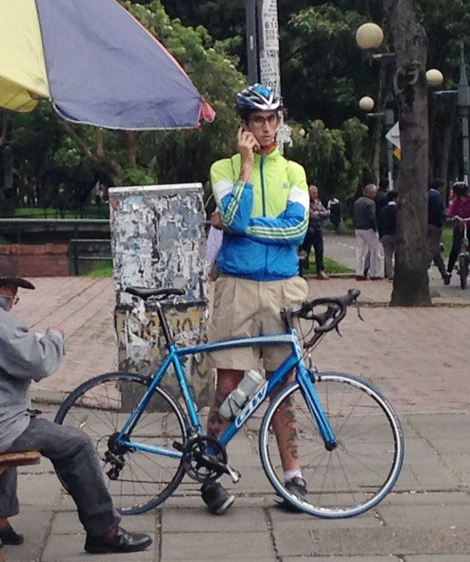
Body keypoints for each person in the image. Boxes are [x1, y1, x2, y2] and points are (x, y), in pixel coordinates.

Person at [0, 255, 152, 555]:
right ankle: (104, 530)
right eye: (14, 298)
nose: (12, 303)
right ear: (3, 291)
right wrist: (54, 337)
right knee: (77, 445)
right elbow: (40, 363)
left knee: (19, 423)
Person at [207, 83, 310, 514]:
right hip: (237, 287)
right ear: (244, 126)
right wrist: (247, 167)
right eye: (257, 121)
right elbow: (231, 217)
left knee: (283, 385)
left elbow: (296, 230)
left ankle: (293, 475)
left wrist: (247, 227)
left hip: (283, 287)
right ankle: (209, 471)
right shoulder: (224, 168)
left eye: (272, 120)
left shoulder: (294, 172)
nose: (266, 129)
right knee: (228, 383)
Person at [300, 185, 331, 280]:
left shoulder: (318, 202)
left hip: (317, 229)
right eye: (314, 193)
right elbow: (311, 215)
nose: (316, 195)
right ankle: (300, 272)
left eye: (316, 193)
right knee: (305, 251)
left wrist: (319, 213)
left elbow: (327, 213)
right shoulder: (305, 202)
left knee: (320, 250)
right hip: (308, 230)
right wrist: (318, 214)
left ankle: (320, 271)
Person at [353, 183, 381, 280]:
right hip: (368, 229)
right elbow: (372, 217)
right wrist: (376, 228)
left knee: (360, 252)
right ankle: (374, 273)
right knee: (374, 251)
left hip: (358, 228)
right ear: (372, 192)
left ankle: (359, 272)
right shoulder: (371, 203)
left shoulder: (357, 202)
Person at [427, 180, 450, 284]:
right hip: (434, 225)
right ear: (439, 187)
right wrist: (442, 220)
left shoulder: (427, 195)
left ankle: (444, 273)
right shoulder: (436, 197)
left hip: (426, 224)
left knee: (436, 251)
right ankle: (423, 269)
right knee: (432, 249)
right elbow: (438, 211)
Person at [377, 190, 399, 280]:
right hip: (396, 234)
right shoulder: (398, 210)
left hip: (385, 234)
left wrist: (381, 235)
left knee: (388, 255)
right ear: (395, 198)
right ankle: (397, 272)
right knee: (398, 255)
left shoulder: (383, 210)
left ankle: (388, 273)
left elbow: (379, 223)